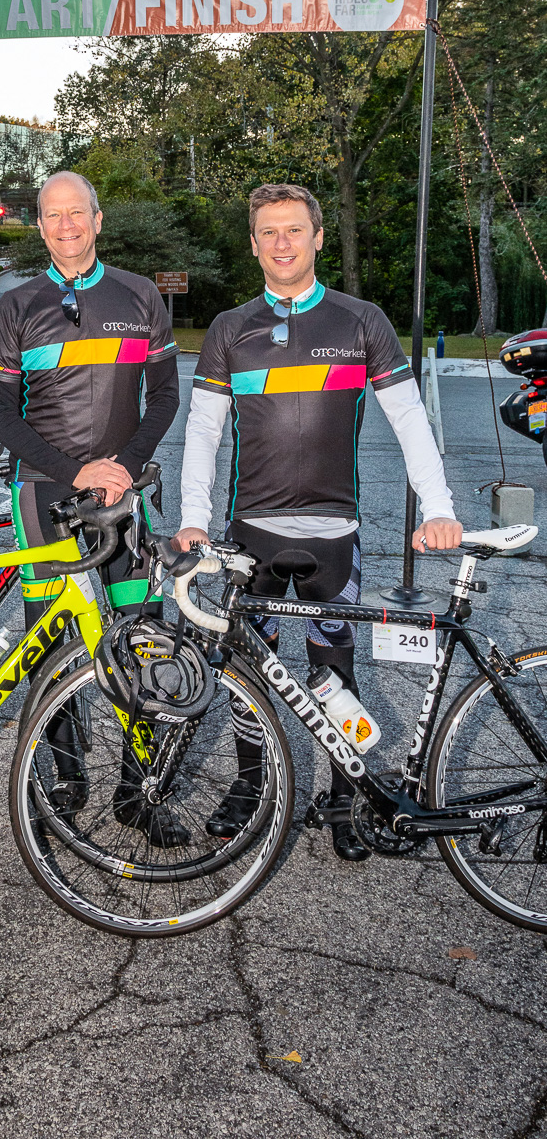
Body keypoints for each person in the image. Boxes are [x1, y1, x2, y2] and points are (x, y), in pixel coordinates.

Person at [174, 183, 462, 861]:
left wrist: (440, 508)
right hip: (252, 533)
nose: (283, 243)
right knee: (249, 672)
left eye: (294, 230)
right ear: (253, 243)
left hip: (334, 533)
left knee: (335, 670)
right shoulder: (229, 328)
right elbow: (204, 432)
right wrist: (193, 519)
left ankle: (342, 794)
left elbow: (409, 418)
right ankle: (252, 785)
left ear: (318, 237)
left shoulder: (360, 321)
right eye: (269, 232)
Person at [0, 170, 182, 840]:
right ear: (40, 227)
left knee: (142, 636)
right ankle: (62, 784)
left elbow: (165, 396)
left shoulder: (140, 293)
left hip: (122, 492)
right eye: (53, 215)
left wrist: (123, 466)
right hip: (43, 492)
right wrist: (76, 472)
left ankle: (139, 788)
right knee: (49, 642)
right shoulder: (16, 305)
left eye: (77, 213)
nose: (66, 225)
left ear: (97, 220)